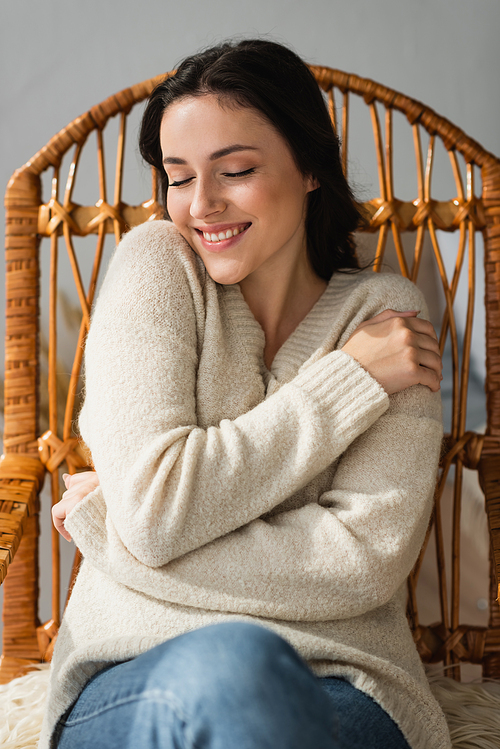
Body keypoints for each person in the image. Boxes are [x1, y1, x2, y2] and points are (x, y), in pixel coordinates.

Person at [44, 39, 450, 749]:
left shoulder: (387, 318)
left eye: (235, 170)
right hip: (135, 672)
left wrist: (111, 528)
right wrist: (346, 384)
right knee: (238, 667)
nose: (201, 206)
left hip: (345, 682)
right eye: (177, 178)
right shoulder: (156, 266)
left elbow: (361, 560)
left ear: (311, 167)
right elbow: (158, 512)